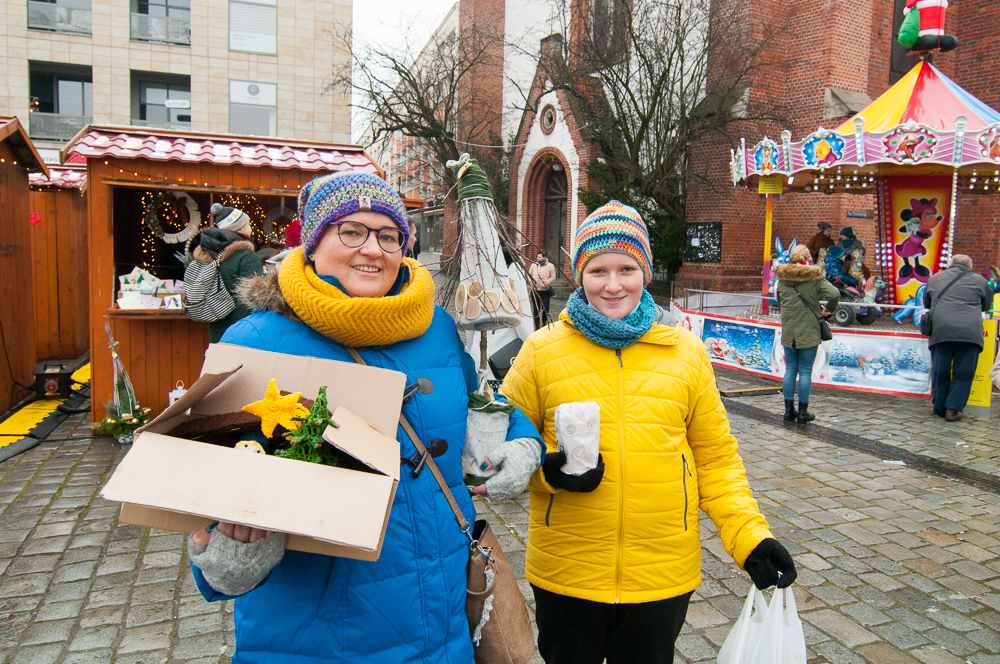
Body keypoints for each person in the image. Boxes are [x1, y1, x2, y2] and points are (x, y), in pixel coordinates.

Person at [186, 171, 543, 663]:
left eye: (388, 235)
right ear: (313, 243)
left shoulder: (434, 325)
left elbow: (482, 399)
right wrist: (231, 553)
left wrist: (521, 442)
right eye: (350, 231)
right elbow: (208, 484)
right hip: (323, 636)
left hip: (442, 622)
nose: (372, 249)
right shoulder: (255, 340)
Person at [501, 201, 796, 664]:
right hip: (567, 571)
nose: (613, 285)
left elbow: (716, 460)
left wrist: (750, 537)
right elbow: (502, 451)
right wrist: (546, 474)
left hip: (661, 576)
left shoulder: (686, 355)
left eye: (627, 268)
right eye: (598, 270)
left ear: (646, 271)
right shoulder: (541, 351)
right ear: (580, 274)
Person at [775, 245, 840, 423]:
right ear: (808, 259)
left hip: (789, 330)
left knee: (790, 370)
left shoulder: (782, 279)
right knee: (805, 371)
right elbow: (834, 293)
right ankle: (803, 413)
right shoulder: (814, 278)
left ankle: (789, 411)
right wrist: (828, 310)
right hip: (809, 330)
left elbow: (778, 300)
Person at [922, 254, 991, 422]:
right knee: (964, 372)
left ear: (950, 265)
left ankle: (939, 407)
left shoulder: (935, 278)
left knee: (940, 370)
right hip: (970, 332)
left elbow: (927, 303)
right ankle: (952, 410)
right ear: (970, 268)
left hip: (942, 330)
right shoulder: (980, 280)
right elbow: (987, 305)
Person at [189, 204, 262, 342]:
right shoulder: (245, 255)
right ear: (239, 228)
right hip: (242, 330)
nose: (251, 228)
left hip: (216, 326)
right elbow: (253, 297)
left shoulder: (208, 253)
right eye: (248, 224)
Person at [528, 250, 557, 328]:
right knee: (536, 309)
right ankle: (536, 326)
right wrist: (531, 282)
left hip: (545, 291)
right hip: (535, 291)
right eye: (537, 257)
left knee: (545, 308)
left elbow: (553, 276)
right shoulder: (534, 265)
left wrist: (547, 282)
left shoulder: (550, 266)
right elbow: (529, 275)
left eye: (539, 257)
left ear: (544, 257)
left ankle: (544, 323)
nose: (538, 258)